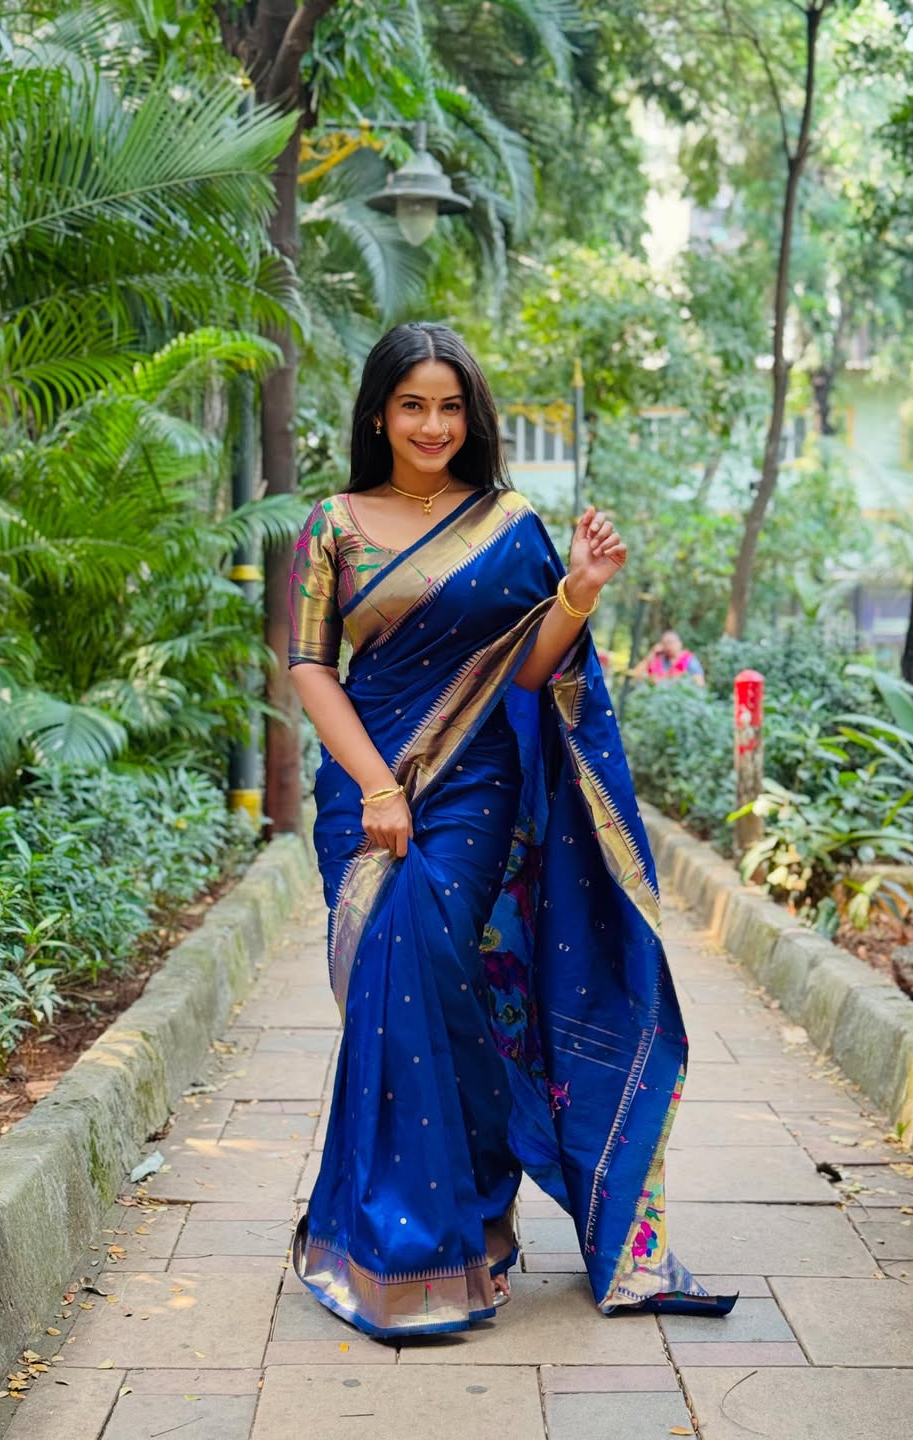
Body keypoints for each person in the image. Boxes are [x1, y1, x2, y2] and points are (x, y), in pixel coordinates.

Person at [287, 321, 736, 1338]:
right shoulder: (333, 523)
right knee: (384, 988)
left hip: (473, 782)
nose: (433, 424)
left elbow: (529, 674)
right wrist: (376, 788)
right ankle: (402, 1230)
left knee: (434, 962)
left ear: (471, 417)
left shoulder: (510, 523)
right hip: (364, 780)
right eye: (414, 405)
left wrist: (576, 592)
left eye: (451, 406)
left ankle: (452, 1231)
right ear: (378, 412)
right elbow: (312, 666)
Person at [632, 630, 705, 685]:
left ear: (679, 643)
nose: (668, 646)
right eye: (665, 643)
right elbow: (635, 675)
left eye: (671, 642)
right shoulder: (657, 659)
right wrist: (652, 653)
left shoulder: (689, 660)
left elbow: (700, 683)